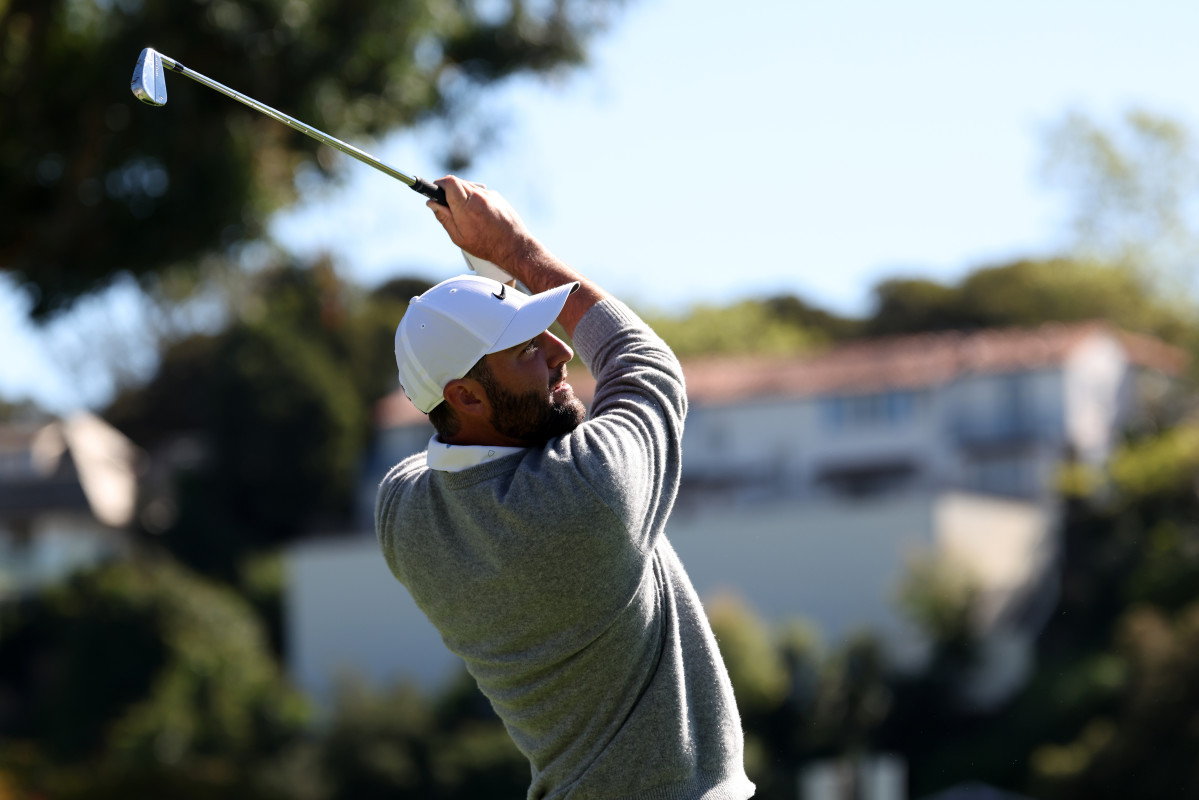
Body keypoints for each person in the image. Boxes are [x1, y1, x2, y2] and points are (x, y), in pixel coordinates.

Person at [375, 175, 755, 800]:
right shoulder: (586, 491)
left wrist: (493, 294)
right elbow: (643, 363)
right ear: (465, 396)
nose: (561, 352)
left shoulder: (403, 517)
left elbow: (472, 446)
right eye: (528, 349)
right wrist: (515, 250)